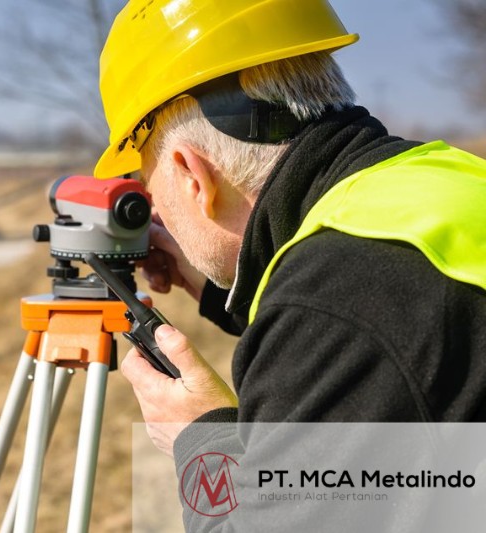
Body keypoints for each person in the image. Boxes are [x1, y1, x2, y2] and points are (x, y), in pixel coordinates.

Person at [94, 0, 486, 529]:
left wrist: (202, 436)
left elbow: (345, 324)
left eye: (150, 185)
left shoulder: (339, 303)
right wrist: (212, 285)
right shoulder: (443, 183)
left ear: (191, 174)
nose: (158, 211)